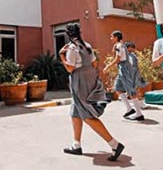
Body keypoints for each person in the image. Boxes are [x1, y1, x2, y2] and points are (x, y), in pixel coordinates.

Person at [59, 23, 125, 162]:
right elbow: (95, 64)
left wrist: (62, 56)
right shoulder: (87, 46)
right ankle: (76, 145)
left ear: (68, 35)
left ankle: (114, 144)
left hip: (79, 82)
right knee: (75, 113)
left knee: (87, 116)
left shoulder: (72, 48)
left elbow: (70, 68)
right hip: (90, 80)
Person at [103, 31, 144, 121]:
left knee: (131, 91)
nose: (110, 38)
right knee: (118, 88)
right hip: (122, 69)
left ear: (116, 37)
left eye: (111, 36)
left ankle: (139, 113)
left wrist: (108, 67)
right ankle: (129, 109)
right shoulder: (120, 45)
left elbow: (117, 59)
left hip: (125, 70)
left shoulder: (119, 46)